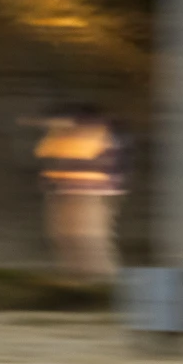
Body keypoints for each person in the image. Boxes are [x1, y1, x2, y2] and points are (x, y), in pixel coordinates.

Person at [35, 107, 125, 280]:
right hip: (67, 192)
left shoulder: (92, 134)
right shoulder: (63, 136)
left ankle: (102, 284)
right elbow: (46, 155)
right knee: (66, 239)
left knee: (88, 241)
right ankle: (80, 282)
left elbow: (84, 162)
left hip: (88, 194)